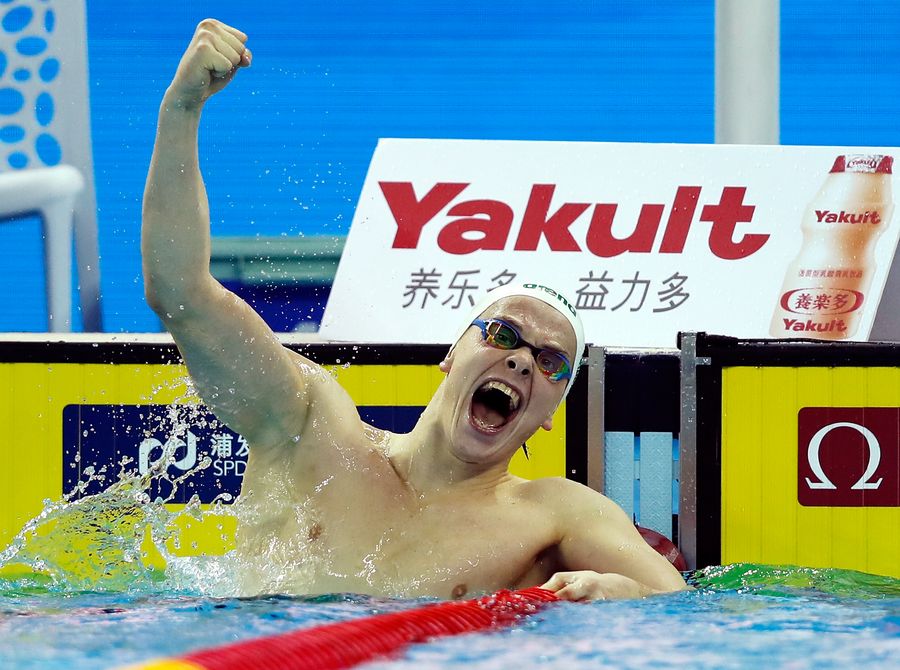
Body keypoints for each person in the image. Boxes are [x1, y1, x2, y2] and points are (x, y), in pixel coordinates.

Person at [142, 19, 688, 601]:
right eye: (504, 335)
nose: (522, 361)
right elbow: (181, 294)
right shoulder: (311, 424)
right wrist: (181, 110)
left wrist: (612, 589)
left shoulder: (552, 515)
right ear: (453, 353)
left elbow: (675, 601)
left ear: (552, 411)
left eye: (551, 362)